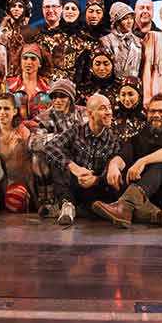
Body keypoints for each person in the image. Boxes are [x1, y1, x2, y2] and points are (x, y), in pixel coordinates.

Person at [92, 95, 162, 227]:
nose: (156, 115)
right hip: (151, 198)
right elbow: (125, 154)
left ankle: (125, 206)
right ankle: (157, 215)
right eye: (152, 111)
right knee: (118, 177)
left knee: (159, 168)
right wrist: (113, 166)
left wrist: (143, 161)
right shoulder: (142, 135)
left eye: (161, 111)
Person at [43, 93, 125, 225]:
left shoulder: (113, 138)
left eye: (109, 107)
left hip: (96, 189)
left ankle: (74, 208)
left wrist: (96, 180)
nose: (109, 112)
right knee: (58, 161)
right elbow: (50, 146)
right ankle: (67, 206)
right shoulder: (77, 130)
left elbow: (112, 169)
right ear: (90, 113)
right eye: (103, 108)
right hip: (73, 184)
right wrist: (74, 168)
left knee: (106, 187)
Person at [28, 79, 88, 215]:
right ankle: (49, 201)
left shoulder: (83, 113)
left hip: (83, 157)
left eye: (62, 97)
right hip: (58, 159)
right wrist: (62, 139)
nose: (57, 100)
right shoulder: (44, 117)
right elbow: (33, 143)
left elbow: (92, 135)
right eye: (54, 97)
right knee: (39, 157)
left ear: (71, 98)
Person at [4, 43, 52, 121]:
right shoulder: (8, 85)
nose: (29, 62)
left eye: (33, 59)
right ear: (20, 62)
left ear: (40, 63)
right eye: (25, 58)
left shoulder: (49, 87)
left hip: (42, 127)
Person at [0, 0, 32, 78]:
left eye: (20, 6)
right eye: (13, 6)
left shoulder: (30, 35)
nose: (16, 9)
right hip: (2, 79)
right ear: (8, 9)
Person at [100, 1, 142, 80]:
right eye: (125, 18)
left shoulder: (139, 41)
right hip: (113, 84)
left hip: (133, 85)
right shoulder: (105, 41)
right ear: (117, 21)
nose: (129, 21)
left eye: (131, 18)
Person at [113, 77, 147, 143]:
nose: (127, 99)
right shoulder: (113, 115)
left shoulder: (146, 116)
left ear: (139, 95)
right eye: (123, 95)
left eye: (131, 94)